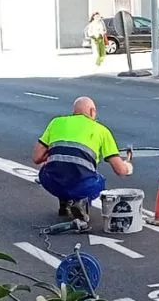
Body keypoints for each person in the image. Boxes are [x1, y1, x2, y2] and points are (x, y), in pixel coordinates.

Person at [32, 96, 132, 226]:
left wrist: (56, 153)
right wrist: (128, 166)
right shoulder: (101, 130)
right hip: (82, 186)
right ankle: (81, 202)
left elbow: (36, 158)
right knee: (99, 181)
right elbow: (120, 170)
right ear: (92, 111)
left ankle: (64, 203)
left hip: (52, 183)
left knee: (52, 169)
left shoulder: (56, 122)